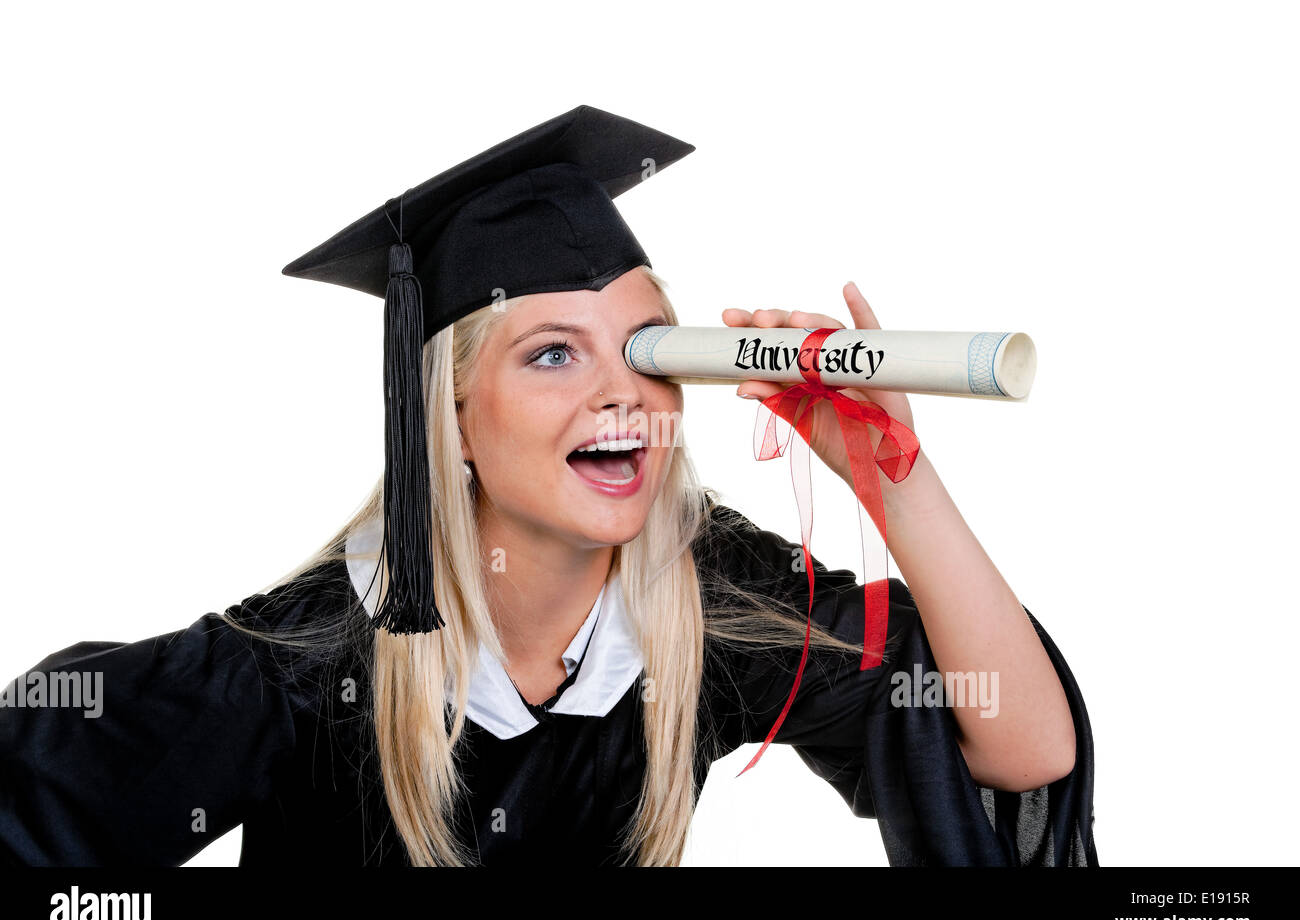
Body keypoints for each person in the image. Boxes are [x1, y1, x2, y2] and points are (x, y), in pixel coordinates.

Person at [0, 105, 1097, 867]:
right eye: (553, 353)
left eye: (650, 344)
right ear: (452, 415)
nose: (622, 389)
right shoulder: (305, 661)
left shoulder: (702, 598)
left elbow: (1018, 747)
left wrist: (891, 482)